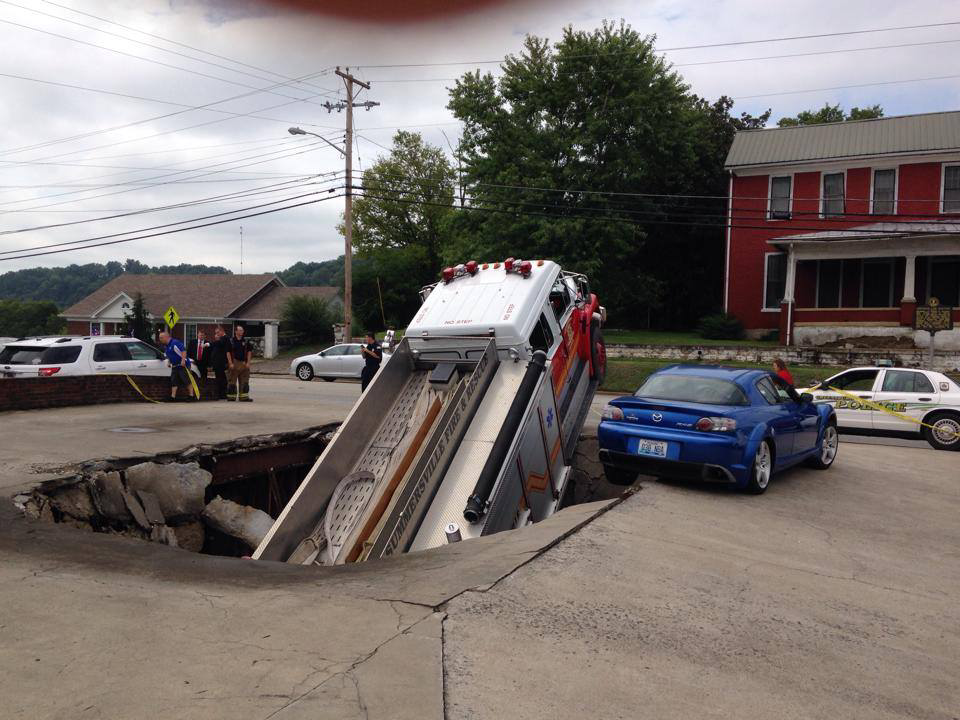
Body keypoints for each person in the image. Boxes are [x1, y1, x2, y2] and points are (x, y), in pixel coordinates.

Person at [159, 330, 193, 401]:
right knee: (174, 381)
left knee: (186, 380)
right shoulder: (166, 346)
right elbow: (169, 355)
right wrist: (169, 362)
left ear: (166, 337)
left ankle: (191, 396)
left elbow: (183, 351)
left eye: (161, 337)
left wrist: (183, 360)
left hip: (183, 365)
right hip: (175, 366)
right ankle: (173, 397)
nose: (160, 339)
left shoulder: (175, 343)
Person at [227, 325, 254, 402]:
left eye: (242, 330)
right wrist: (230, 363)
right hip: (234, 363)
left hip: (244, 363)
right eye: (240, 330)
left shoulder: (246, 341)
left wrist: (248, 363)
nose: (242, 332)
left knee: (244, 382)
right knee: (232, 382)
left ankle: (244, 397)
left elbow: (249, 352)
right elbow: (228, 353)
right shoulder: (231, 341)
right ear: (236, 331)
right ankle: (231, 397)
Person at [209, 326, 230, 400]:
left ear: (222, 331)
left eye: (218, 333)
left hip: (221, 363)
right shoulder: (220, 341)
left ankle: (223, 394)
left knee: (222, 378)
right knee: (219, 378)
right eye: (216, 333)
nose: (217, 334)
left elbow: (220, 344)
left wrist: (209, 344)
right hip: (217, 363)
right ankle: (220, 393)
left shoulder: (225, 338)